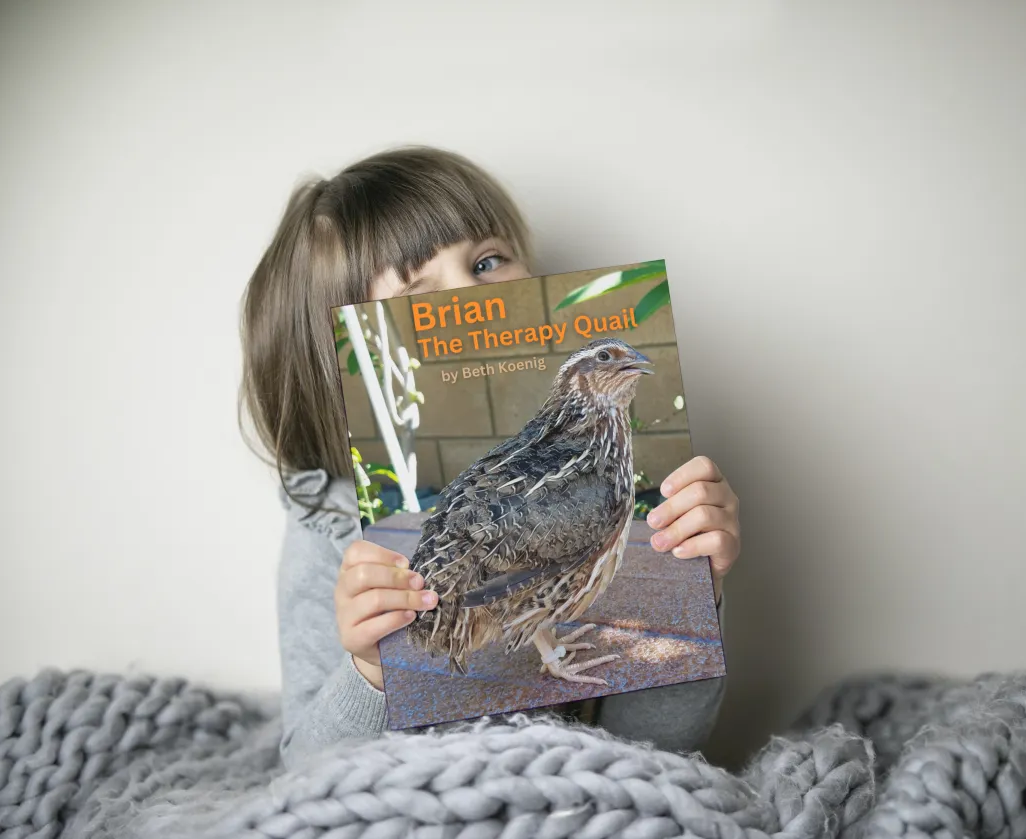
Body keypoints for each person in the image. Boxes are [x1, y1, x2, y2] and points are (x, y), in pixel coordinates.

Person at [239, 146, 742, 767]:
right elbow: (303, 768)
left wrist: (700, 593)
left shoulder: (619, 483)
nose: (467, 299)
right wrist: (371, 671)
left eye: (486, 261)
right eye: (418, 294)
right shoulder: (323, 527)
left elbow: (666, 751)